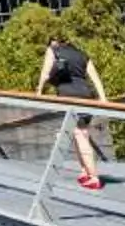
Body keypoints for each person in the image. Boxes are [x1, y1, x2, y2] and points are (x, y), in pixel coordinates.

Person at [36, 34, 108, 191]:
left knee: (80, 135)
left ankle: (94, 177)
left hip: (68, 96)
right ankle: (85, 172)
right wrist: (103, 100)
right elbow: (95, 79)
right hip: (87, 96)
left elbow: (46, 73)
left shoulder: (53, 51)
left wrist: (39, 92)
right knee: (79, 134)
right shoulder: (82, 55)